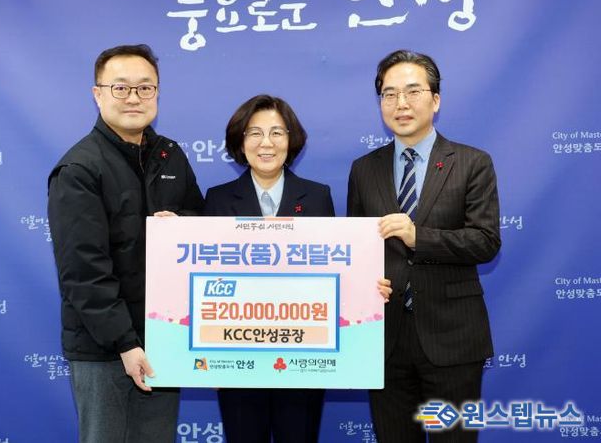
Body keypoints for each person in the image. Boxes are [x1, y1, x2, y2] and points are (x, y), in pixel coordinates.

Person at [47, 44, 204, 443]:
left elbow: (200, 223)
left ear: (157, 93)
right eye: (121, 87)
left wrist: (182, 225)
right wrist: (126, 344)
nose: (134, 97)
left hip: (165, 340)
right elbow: (83, 271)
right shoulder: (79, 169)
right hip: (105, 349)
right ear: (97, 94)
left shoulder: (170, 154)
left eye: (145, 87)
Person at [347, 50, 501, 442]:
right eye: (389, 94)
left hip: (453, 337)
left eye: (413, 91)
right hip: (384, 340)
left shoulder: (472, 162)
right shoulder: (364, 169)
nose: (401, 103)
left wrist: (419, 237)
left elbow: (485, 242)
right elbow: (356, 251)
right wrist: (364, 282)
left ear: (435, 100)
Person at [203, 95, 333, 443]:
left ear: (291, 140)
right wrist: (209, 356)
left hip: (303, 356)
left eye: (277, 132)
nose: (266, 143)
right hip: (237, 357)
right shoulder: (217, 200)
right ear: (240, 141)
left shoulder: (318, 197)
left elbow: (334, 276)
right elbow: (203, 283)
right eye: (255, 133)